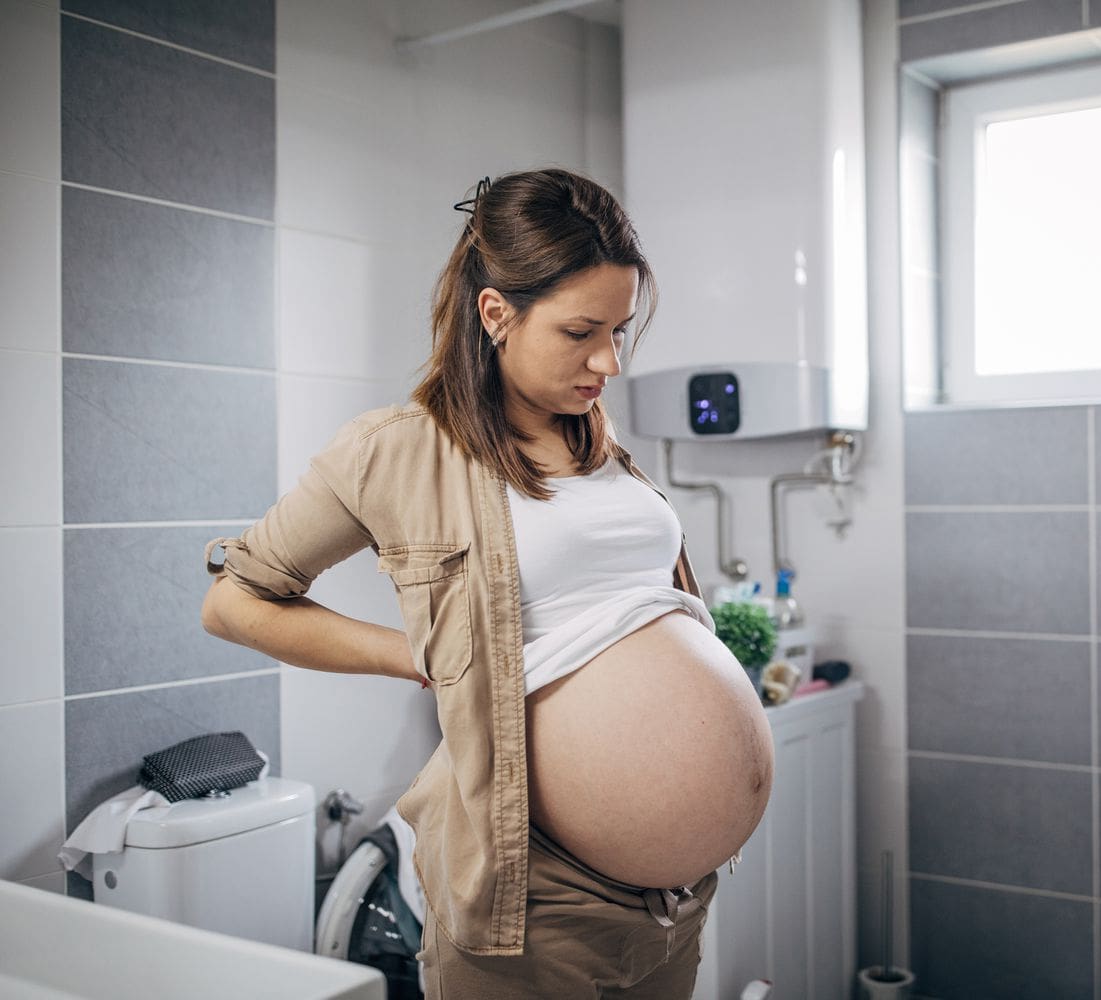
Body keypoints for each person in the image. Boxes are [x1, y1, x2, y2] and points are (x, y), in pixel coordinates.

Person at [200, 168, 775, 998]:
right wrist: (418, 657)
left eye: (619, 329)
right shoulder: (397, 450)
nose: (609, 360)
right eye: (582, 331)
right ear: (496, 313)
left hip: (672, 904)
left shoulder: (598, 439)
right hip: (537, 904)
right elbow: (233, 601)